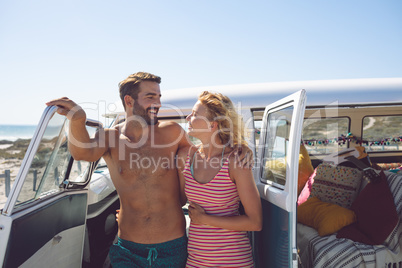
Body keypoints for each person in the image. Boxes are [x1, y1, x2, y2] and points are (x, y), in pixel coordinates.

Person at [46, 72, 253, 268]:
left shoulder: (172, 132)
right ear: (129, 101)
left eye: (159, 97)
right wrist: (78, 119)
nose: (158, 103)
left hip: (172, 246)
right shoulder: (109, 138)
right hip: (128, 248)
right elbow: (82, 152)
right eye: (150, 97)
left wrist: (239, 147)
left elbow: (205, 153)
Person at [177, 91, 262, 267]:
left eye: (194, 114)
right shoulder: (186, 156)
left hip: (233, 261)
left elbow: (255, 222)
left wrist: (206, 219)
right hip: (196, 261)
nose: (187, 118)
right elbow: (177, 200)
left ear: (212, 125)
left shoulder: (236, 160)